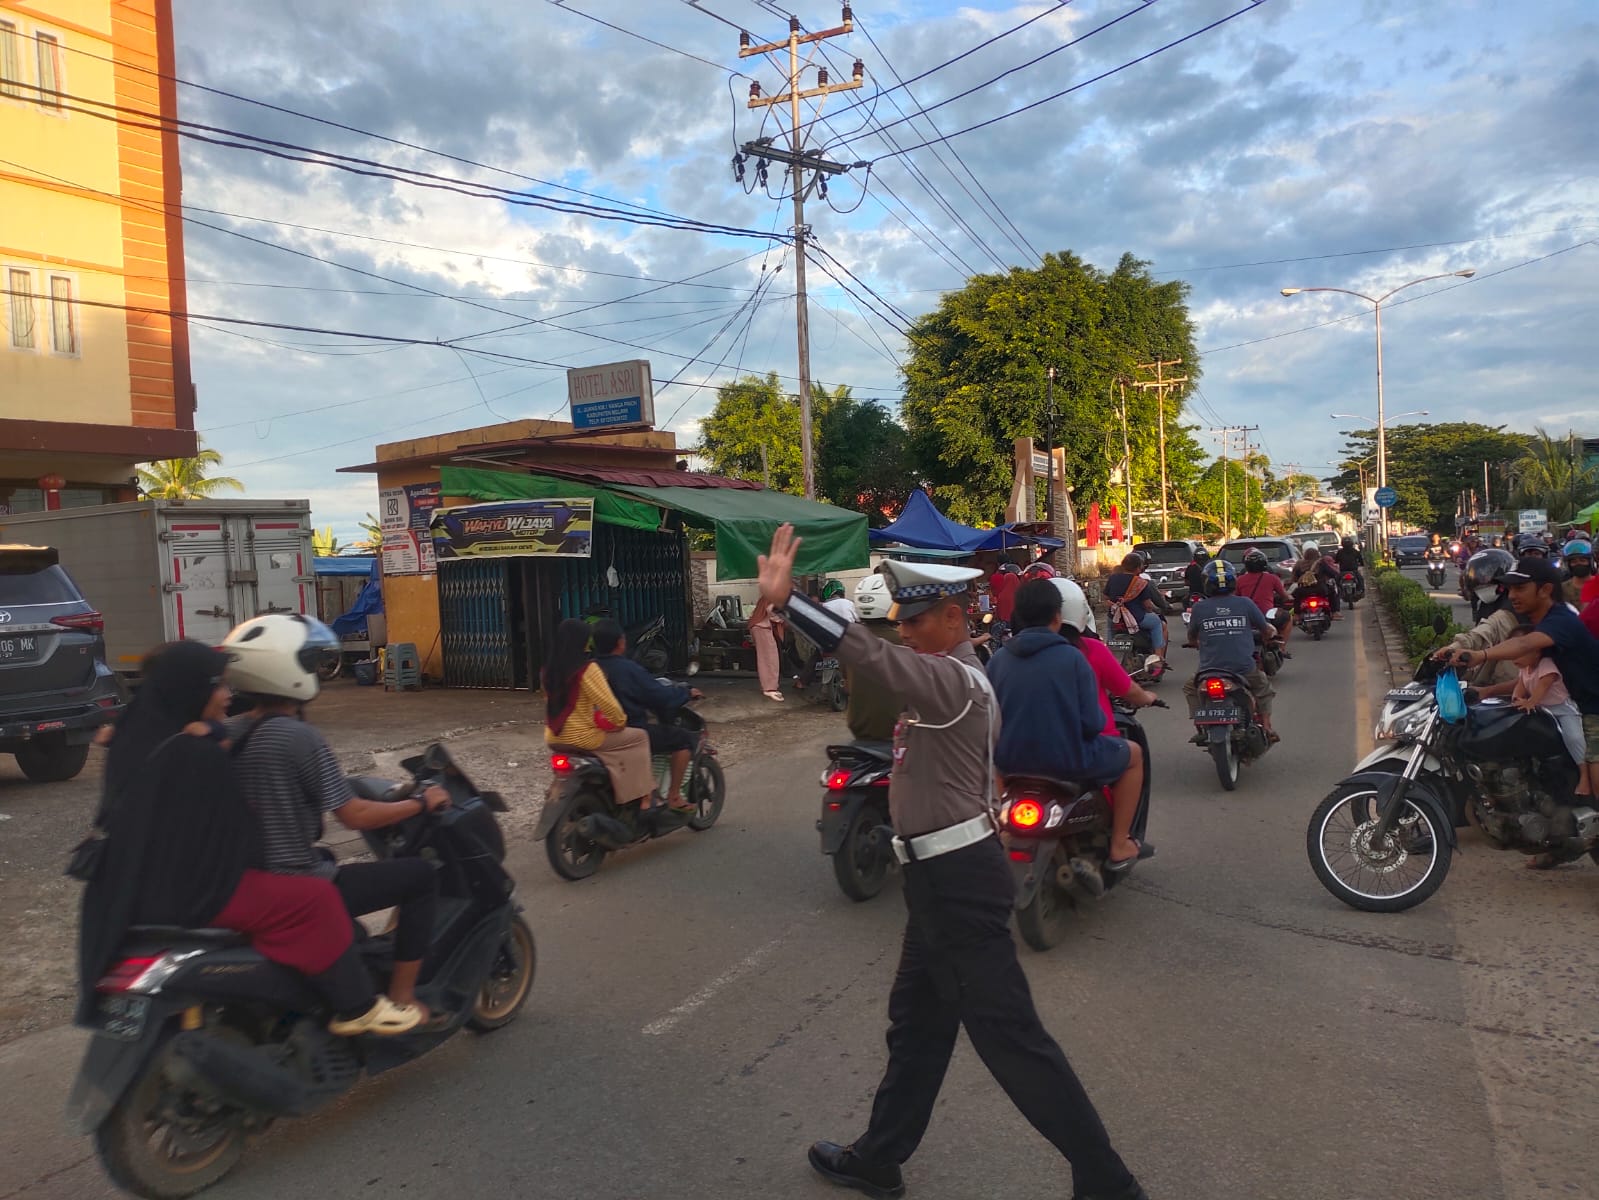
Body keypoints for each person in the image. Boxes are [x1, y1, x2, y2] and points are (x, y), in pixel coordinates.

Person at [757, 526, 1145, 1200]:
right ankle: (879, 1157)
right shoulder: (952, 683)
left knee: (1010, 1037)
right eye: (900, 621)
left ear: (953, 619)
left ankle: (1106, 1182)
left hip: (957, 881)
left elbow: (875, 659)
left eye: (916, 621)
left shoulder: (953, 680)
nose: (904, 633)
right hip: (939, 879)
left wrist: (790, 601)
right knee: (916, 1025)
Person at [80, 639, 419, 1037]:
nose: (228, 695)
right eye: (219, 686)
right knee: (315, 898)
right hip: (194, 892)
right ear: (194, 689)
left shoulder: (138, 736)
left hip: (132, 888)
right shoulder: (200, 751)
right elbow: (235, 827)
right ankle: (357, 1007)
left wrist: (211, 733)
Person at [224, 615, 452, 1025]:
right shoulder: (298, 737)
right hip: (298, 880)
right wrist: (420, 803)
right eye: (309, 663)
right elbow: (354, 814)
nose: (316, 672)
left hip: (244, 880)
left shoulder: (228, 732)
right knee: (420, 877)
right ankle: (403, 998)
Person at [991, 580, 1148, 872]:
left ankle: (999, 834)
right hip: (1068, 761)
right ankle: (1119, 843)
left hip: (1010, 763)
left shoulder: (999, 659)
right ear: (1056, 617)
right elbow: (1093, 722)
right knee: (1134, 755)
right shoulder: (1073, 657)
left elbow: (990, 719)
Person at [1448, 556, 1599, 844]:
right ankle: (1554, 837)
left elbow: (1523, 645)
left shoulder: (1560, 620)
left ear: (1545, 590)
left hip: (1593, 707)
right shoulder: (1534, 621)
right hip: (1567, 705)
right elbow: (1532, 676)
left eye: (1520, 588)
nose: (1512, 595)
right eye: (1510, 588)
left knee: (1593, 763)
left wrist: (1481, 655)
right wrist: (1489, 690)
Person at [591, 619, 703, 811]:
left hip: (593, 733)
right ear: (621, 642)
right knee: (683, 739)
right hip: (627, 731)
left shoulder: (588, 669)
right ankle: (674, 796)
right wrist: (685, 693)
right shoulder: (628, 669)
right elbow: (658, 695)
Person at [1184, 560, 1278, 741]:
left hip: (1208, 670)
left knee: (1190, 688)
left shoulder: (1199, 607)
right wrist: (1271, 635)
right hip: (1243, 668)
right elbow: (1265, 629)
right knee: (1263, 688)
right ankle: (1267, 727)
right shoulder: (1245, 603)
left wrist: (1196, 643)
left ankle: (1200, 726)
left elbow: (1192, 636)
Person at [1053, 577, 1160, 734]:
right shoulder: (1091, 649)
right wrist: (1147, 697)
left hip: (1034, 744)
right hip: (1093, 739)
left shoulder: (1014, 656)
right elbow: (1127, 689)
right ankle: (1159, 656)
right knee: (1157, 624)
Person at [1504, 627, 1588, 784]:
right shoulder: (1525, 668)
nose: (1514, 658)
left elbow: (1543, 686)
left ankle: (1584, 773)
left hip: (1562, 709)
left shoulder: (1546, 665)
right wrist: (1516, 699)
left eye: (1519, 652)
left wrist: (1530, 702)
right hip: (1542, 710)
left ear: (1537, 651)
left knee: (1574, 737)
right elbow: (1520, 686)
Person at [1436, 549, 1524, 693]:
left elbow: (1486, 631)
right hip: (1493, 681)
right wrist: (1453, 649)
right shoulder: (1485, 605)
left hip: (1513, 685)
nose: (1515, 597)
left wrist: (1458, 646)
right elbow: (1478, 633)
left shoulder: (1510, 609)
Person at [1104, 553, 1168, 666]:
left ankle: (1109, 656)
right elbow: (1148, 605)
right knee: (1156, 622)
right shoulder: (1140, 582)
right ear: (1138, 568)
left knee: (1110, 628)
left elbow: (1106, 597)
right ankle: (1157, 657)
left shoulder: (1113, 578)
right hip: (1137, 619)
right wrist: (1154, 610)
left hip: (1115, 618)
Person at [1237, 548, 1293, 648]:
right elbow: (1284, 596)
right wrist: (1289, 598)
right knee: (1288, 618)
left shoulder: (1239, 580)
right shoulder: (1272, 578)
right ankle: (1281, 648)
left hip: (1246, 616)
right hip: (1267, 615)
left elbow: (1235, 598)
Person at [749, 594, 784, 702]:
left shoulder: (767, 595)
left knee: (767, 658)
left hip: (758, 626)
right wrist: (781, 619)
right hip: (762, 628)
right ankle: (769, 688)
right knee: (770, 658)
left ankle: (769, 686)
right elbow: (771, 611)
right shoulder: (772, 596)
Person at [1560, 538, 1593, 608]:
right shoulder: (1563, 589)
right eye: (1574, 562)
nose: (1578, 563)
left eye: (1582, 560)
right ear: (1569, 565)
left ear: (1590, 562)